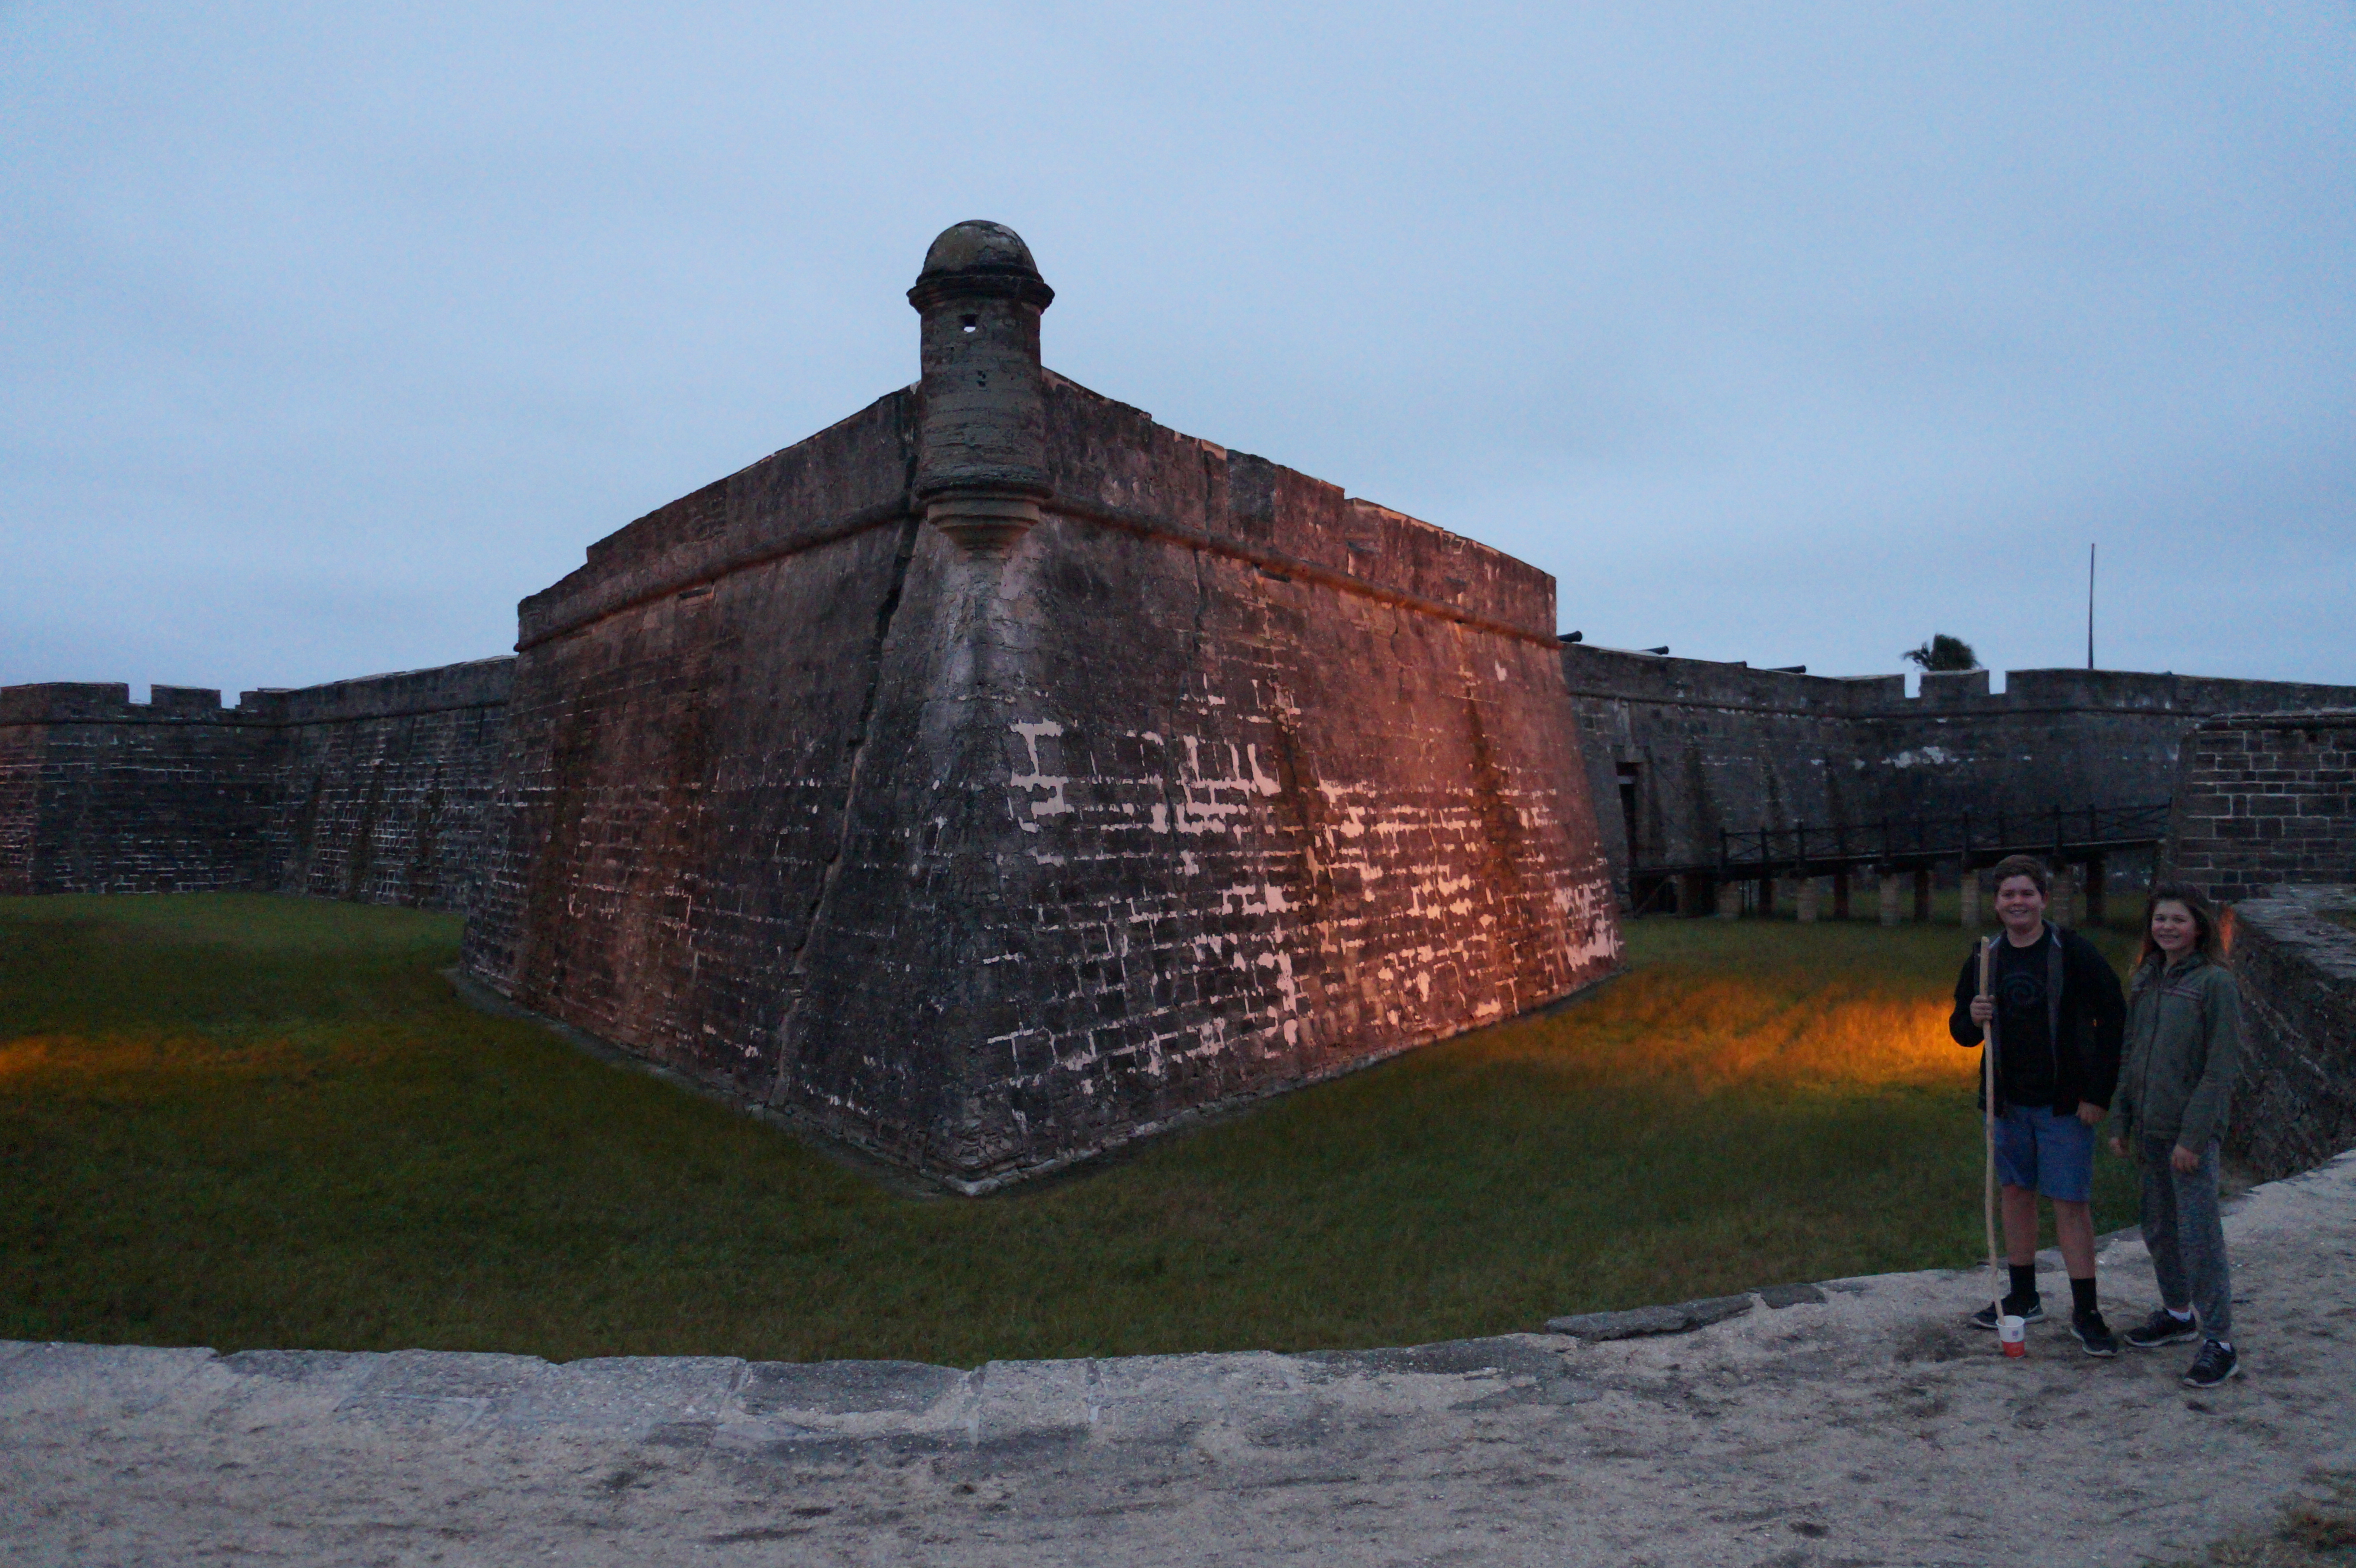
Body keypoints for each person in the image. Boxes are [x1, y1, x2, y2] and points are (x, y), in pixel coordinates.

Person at [1949, 854, 2127, 1355]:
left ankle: (2086, 1310)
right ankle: (2024, 1295)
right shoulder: (1985, 956)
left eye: (2026, 893)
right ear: (1997, 904)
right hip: (2006, 1101)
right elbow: (1961, 1033)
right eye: (2008, 895)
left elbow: (2113, 1018)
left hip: (2062, 1103)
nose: (2017, 902)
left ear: (2043, 899)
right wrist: (1972, 1013)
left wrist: (2096, 1093)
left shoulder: (2072, 951)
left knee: (2070, 1203)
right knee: (2015, 1193)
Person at [2109, 882, 2244, 1388]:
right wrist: (2121, 1120)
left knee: (2198, 1235)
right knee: (2158, 1227)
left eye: (2177, 920)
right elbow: (2130, 1052)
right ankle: (2177, 1312)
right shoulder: (2146, 979)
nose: (2166, 927)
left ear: (2199, 927)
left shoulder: (2214, 984)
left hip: (2187, 1134)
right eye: (2159, 919)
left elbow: (2219, 1069)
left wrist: (2194, 1137)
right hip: (2149, 1129)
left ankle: (2220, 1340)